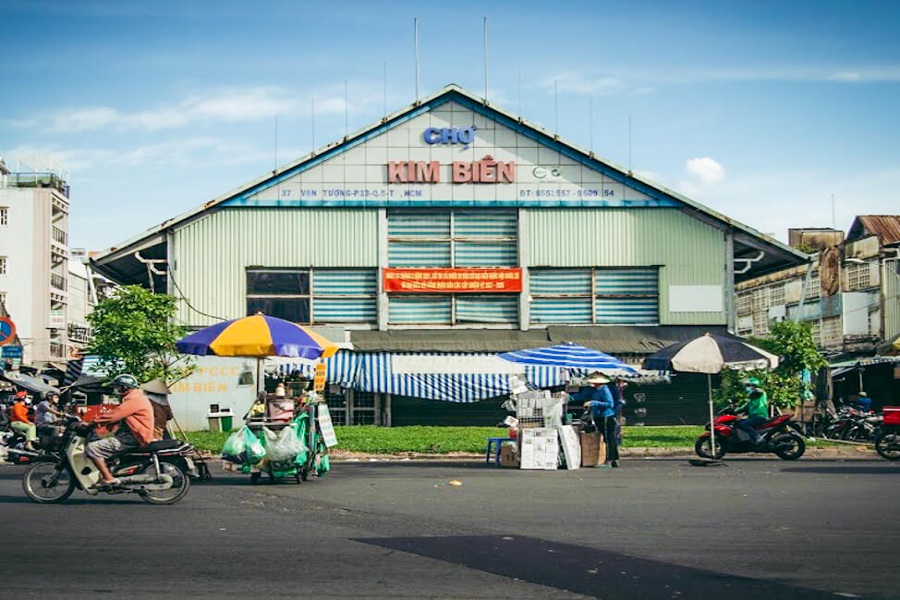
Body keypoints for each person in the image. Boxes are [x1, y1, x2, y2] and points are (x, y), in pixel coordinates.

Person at [84, 374, 154, 488]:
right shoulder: (134, 397)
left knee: (92, 448)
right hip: (131, 435)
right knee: (102, 441)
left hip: (133, 437)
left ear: (125, 387)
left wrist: (91, 423)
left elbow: (113, 416)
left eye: (118, 387)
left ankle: (108, 478)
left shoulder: (134, 399)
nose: (116, 389)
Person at [573, 372, 620, 468]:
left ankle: (610, 460)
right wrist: (570, 397)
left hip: (606, 417)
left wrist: (593, 403)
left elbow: (609, 404)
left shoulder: (605, 390)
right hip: (598, 416)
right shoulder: (592, 390)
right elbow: (582, 395)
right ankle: (613, 459)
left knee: (609, 438)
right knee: (607, 438)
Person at [736, 377, 769, 445]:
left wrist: (754, 389)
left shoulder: (760, 393)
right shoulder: (752, 398)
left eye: (748, 385)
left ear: (754, 385)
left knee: (744, 424)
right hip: (753, 417)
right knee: (739, 422)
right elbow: (745, 407)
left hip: (760, 416)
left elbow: (758, 391)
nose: (747, 387)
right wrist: (735, 410)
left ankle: (757, 437)